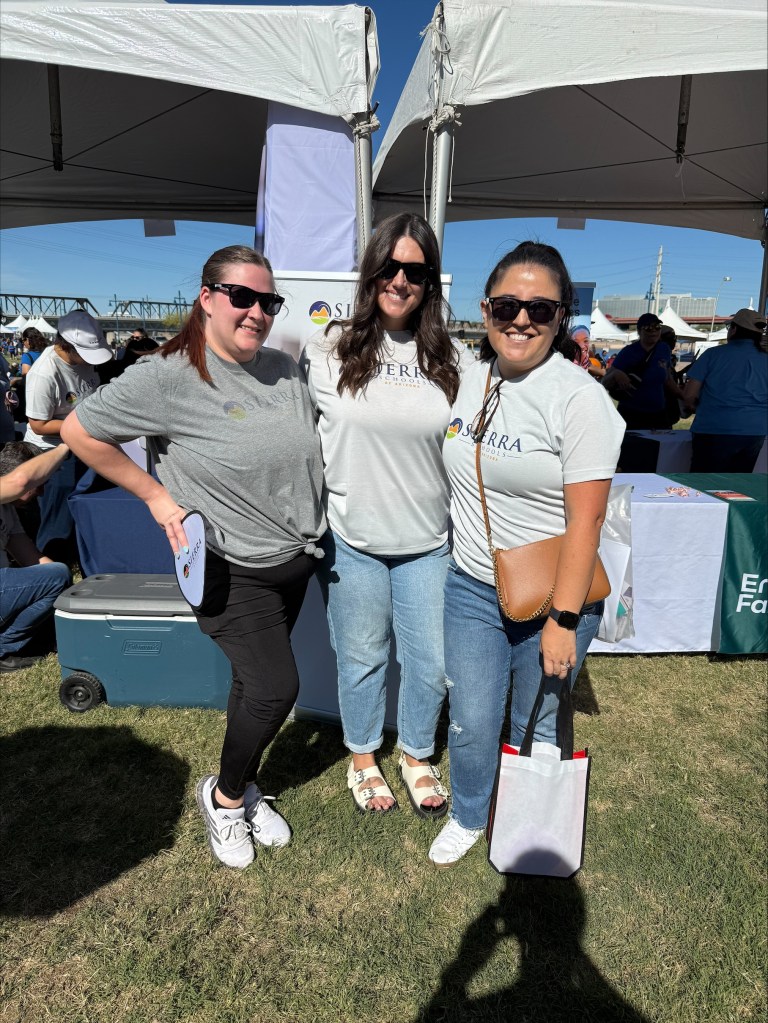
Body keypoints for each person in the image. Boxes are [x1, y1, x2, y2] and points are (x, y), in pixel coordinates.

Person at [61, 245, 326, 869]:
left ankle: (246, 781)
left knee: (250, 686)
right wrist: (155, 495)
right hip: (229, 568)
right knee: (275, 687)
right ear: (207, 297)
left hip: (292, 560)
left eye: (268, 301)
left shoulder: (284, 370)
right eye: (243, 297)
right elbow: (79, 432)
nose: (256, 312)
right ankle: (226, 797)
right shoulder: (168, 375)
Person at [430, 241, 624, 866]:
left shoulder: (579, 397)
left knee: (537, 719)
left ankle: (523, 821)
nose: (521, 320)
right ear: (485, 309)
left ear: (561, 316)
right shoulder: (464, 377)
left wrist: (564, 620)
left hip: (552, 594)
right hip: (472, 585)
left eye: (540, 309)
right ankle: (468, 811)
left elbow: (587, 519)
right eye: (508, 305)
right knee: (472, 718)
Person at [300, 212, 474, 817]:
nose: (401, 280)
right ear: (372, 269)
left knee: (432, 660)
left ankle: (418, 754)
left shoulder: (453, 360)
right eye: (390, 267)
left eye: (416, 271)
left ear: (429, 283)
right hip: (352, 541)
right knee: (363, 655)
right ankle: (364, 757)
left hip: (429, 540)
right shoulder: (327, 347)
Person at [23, 309, 113, 559]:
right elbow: (39, 424)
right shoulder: (44, 373)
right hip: (52, 453)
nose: (88, 360)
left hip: (83, 444)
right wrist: (83, 424)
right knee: (56, 517)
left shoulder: (86, 362)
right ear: (66, 345)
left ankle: (82, 555)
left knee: (85, 506)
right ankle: (54, 566)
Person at [1, 441, 72, 673]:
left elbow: (33, 560)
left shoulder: (8, 510)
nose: (41, 492)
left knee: (57, 575)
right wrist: (66, 446)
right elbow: (20, 481)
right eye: (38, 485)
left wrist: (70, 592)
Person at [683, 308, 767, 471]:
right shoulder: (765, 359)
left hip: (714, 428)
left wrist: (691, 406)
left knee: (704, 485)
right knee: (736, 487)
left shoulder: (713, 354)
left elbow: (689, 394)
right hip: (755, 431)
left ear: (734, 329)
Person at [603, 312, 683, 429]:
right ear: (639, 331)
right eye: (648, 328)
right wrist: (616, 373)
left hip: (658, 414)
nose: (654, 331)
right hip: (631, 415)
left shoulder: (664, 349)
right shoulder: (628, 352)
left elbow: (667, 379)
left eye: (657, 327)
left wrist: (683, 397)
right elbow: (605, 381)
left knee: (660, 446)